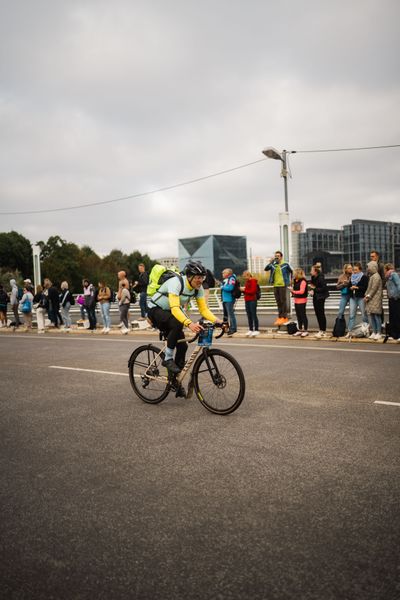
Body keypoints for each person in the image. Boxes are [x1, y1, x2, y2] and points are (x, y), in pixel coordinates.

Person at [147, 260, 224, 377]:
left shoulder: (198, 288)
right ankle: (167, 359)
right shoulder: (176, 283)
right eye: (198, 277)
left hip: (170, 311)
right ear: (189, 277)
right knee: (177, 323)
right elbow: (175, 308)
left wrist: (219, 321)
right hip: (156, 309)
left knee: (183, 346)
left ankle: (174, 380)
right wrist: (189, 324)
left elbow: (204, 310)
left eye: (202, 277)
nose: (200, 280)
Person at [264, 250, 293, 326]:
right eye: (276, 256)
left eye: (278, 256)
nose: (277, 257)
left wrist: (291, 281)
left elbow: (292, 271)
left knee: (283, 301)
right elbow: (266, 269)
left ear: (281, 257)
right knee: (278, 301)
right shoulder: (273, 265)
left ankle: (284, 317)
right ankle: (280, 317)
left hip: (283, 285)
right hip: (275, 285)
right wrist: (271, 262)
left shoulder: (285, 264)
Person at [346, 262, 369, 337]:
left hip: (361, 297)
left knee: (363, 315)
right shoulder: (352, 277)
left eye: (356, 270)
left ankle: (366, 330)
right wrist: (350, 288)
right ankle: (350, 331)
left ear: (360, 270)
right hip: (353, 297)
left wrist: (357, 288)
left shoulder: (364, 277)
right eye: (353, 270)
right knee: (352, 315)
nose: (354, 271)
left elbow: (365, 287)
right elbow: (348, 286)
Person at [309, 263, 329, 338]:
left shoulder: (320, 277)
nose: (310, 271)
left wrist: (314, 289)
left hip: (320, 297)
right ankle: (321, 330)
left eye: (311, 270)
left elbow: (324, 288)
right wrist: (312, 291)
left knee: (321, 314)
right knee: (318, 314)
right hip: (316, 297)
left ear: (315, 271)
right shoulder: (313, 277)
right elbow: (313, 286)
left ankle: (323, 331)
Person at [365, 261, 383, 340]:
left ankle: (379, 332)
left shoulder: (376, 276)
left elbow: (374, 288)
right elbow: (370, 288)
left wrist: (368, 296)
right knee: (372, 315)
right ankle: (374, 332)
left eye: (368, 267)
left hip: (375, 298)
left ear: (373, 267)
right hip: (372, 298)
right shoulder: (372, 276)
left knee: (376, 315)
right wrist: (367, 295)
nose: (368, 269)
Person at [288, 268, 309, 337]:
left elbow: (302, 292)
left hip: (302, 300)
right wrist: (292, 289)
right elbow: (295, 288)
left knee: (303, 315)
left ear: (297, 273)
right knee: (298, 316)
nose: (293, 274)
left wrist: (293, 291)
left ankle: (305, 330)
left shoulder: (303, 281)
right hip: (296, 300)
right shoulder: (296, 281)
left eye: (294, 273)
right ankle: (300, 330)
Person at [384, 263, 400, 342]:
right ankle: (393, 334)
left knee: (397, 316)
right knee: (392, 316)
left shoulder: (394, 274)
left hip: (396, 298)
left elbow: (399, 285)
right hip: (391, 298)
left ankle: (398, 334)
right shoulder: (387, 277)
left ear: (386, 269)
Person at [241, 270, 260, 337]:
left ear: (248, 275)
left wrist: (244, 290)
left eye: (244, 276)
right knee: (249, 315)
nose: (244, 277)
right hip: (247, 300)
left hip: (252, 300)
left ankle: (256, 330)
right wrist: (243, 291)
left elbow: (252, 291)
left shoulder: (253, 281)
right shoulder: (247, 282)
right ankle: (251, 329)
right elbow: (248, 291)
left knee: (253, 315)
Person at [220, 268, 238, 336]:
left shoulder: (232, 279)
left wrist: (222, 287)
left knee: (231, 315)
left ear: (228, 273)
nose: (222, 274)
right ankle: (229, 328)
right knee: (227, 315)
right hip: (225, 299)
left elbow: (230, 288)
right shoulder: (227, 279)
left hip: (229, 299)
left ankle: (233, 328)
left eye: (223, 273)